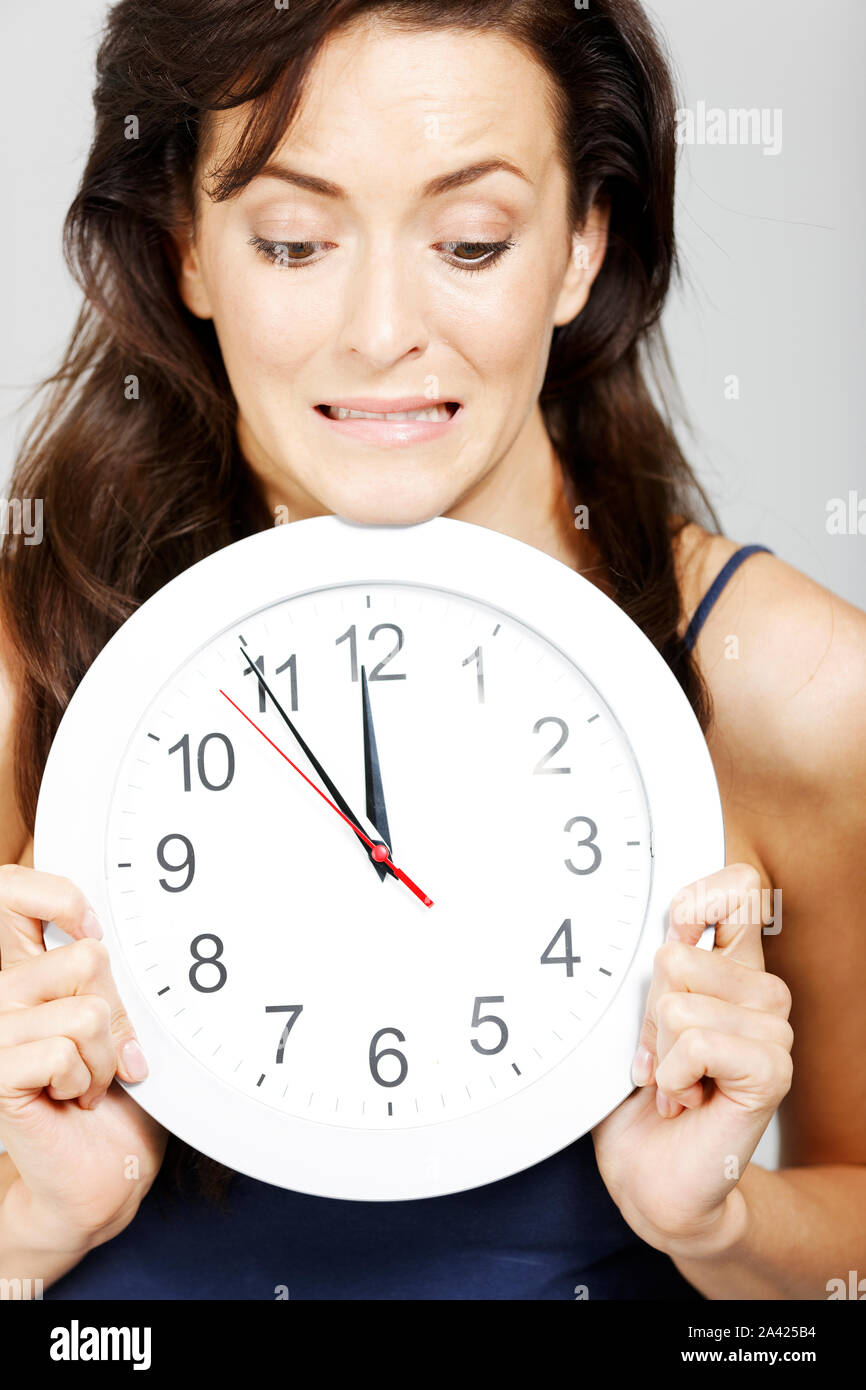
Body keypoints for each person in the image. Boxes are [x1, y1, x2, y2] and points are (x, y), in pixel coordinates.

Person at [0, 0, 863, 1301]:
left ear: (581, 244)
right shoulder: (34, 667)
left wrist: (716, 1221)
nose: (381, 329)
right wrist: (34, 1227)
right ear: (187, 243)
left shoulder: (789, 691)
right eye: (294, 242)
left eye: (471, 240)